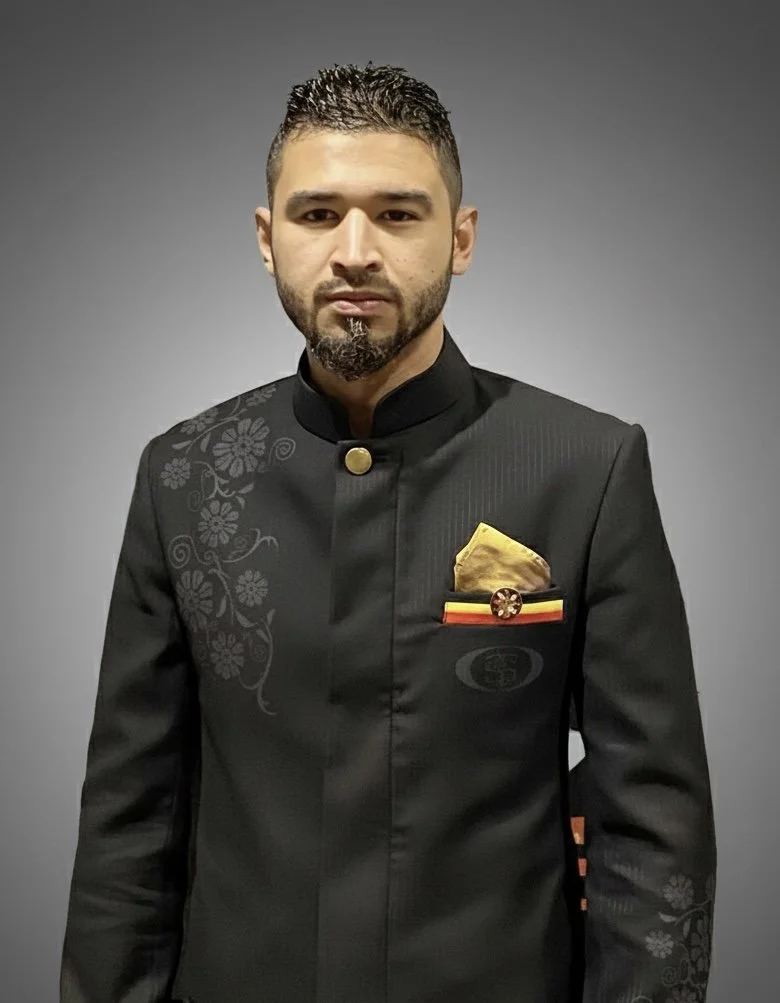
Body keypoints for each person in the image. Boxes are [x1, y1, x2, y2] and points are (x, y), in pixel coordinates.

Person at [59, 61, 716, 1003]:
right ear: (267, 237)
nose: (355, 251)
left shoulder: (584, 467)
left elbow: (654, 823)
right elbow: (130, 820)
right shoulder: (185, 474)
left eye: (399, 214)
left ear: (461, 237)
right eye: (318, 213)